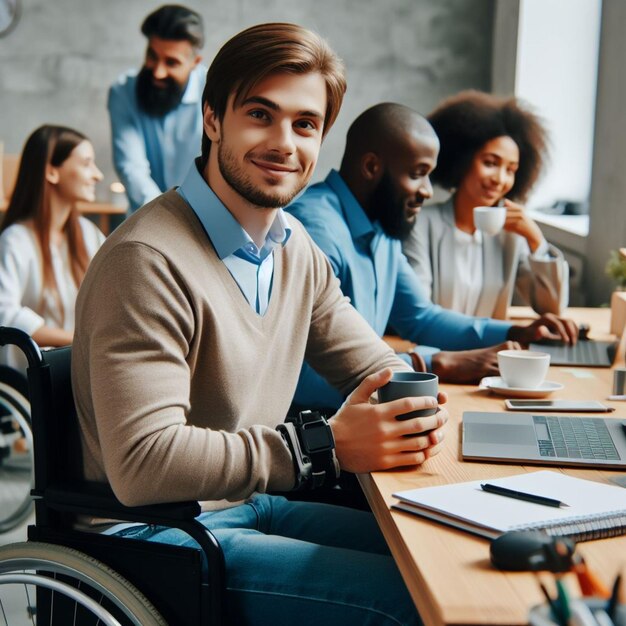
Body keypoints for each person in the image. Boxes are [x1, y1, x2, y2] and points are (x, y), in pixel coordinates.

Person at [73, 23, 449, 626]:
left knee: (443, 564)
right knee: (410, 602)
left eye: (305, 124)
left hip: (250, 505)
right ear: (213, 118)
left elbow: (375, 364)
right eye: (260, 114)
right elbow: (145, 462)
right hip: (154, 532)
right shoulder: (146, 259)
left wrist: (417, 406)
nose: (284, 142)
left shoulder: (292, 246)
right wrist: (320, 446)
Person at [286, 103, 578, 410]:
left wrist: (515, 331)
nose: (427, 191)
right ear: (372, 167)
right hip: (309, 428)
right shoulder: (313, 231)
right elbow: (299, 374)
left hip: (358, 409)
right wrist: (430, 362)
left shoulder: (381, 225)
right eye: (417, 174)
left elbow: (420, 317)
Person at [403, 90, 569, 319]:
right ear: (462, 160)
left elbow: (552, 309)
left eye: (511, 170)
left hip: (494, 354)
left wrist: (535, 239)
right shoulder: (420, 225)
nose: (500, 179)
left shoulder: (511, 236)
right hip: (438, 352)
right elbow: (418, 313)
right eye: (490, 163)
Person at [0, 125, 105, 372]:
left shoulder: (89, 234)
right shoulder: (16, 240)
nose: (98, 175)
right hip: (31, 385)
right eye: (87, 163)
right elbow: (4, 313)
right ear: (52, 172)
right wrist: (78, 341)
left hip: (79, 373)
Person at [108, 4, 205, 213]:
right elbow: (132, 168)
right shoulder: (122, 92)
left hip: (203, 222)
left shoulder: (215, 92)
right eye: (152, 56)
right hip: (144, 219)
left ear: (195, 62)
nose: (158, 72)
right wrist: (165, 220)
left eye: (171, 62)